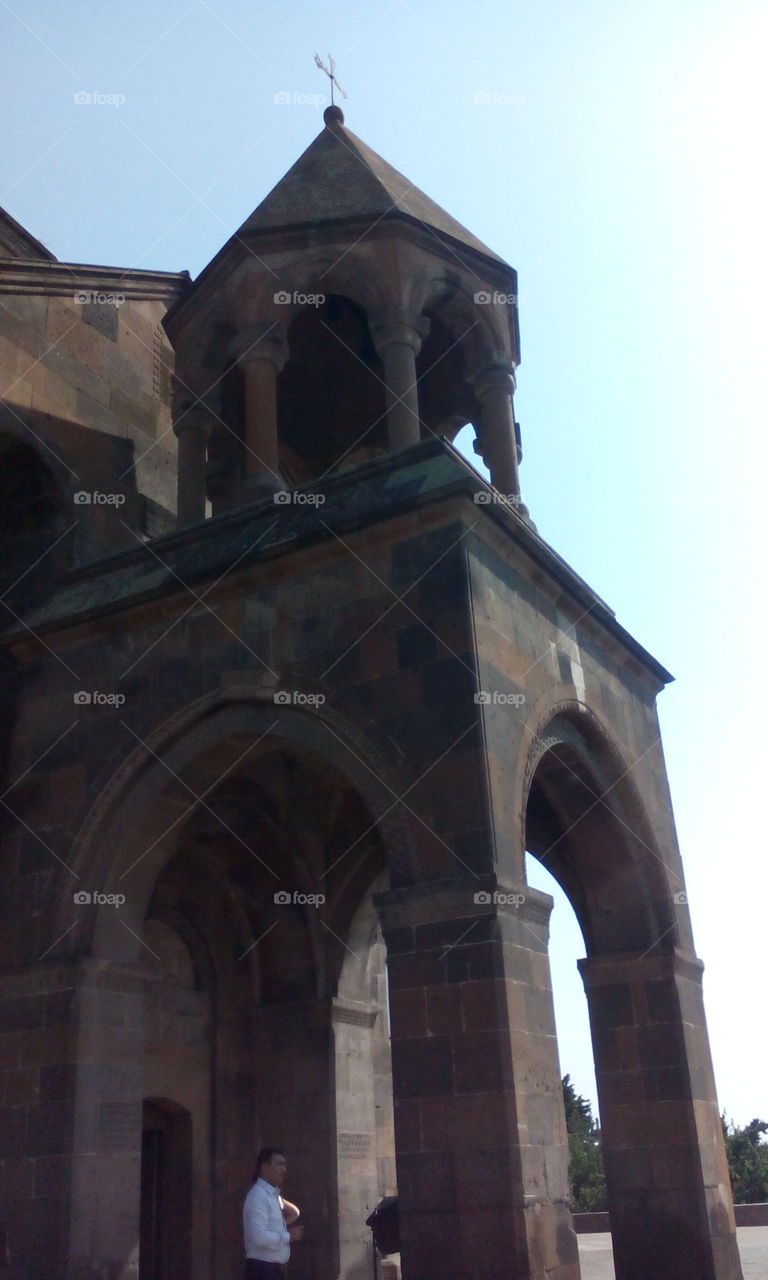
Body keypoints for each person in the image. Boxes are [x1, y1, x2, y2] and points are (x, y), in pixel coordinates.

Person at [243, 1146, 303, 1279]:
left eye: (284, 1165)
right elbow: (259, 1237)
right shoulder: (257, 1196)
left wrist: (278, 1198)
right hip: (263, 1269)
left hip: (274, 1269)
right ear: (264, 1167)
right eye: (279, 1164)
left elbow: (294, 1212)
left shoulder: (272, 1195)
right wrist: (289, 1236)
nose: (284, 1170)